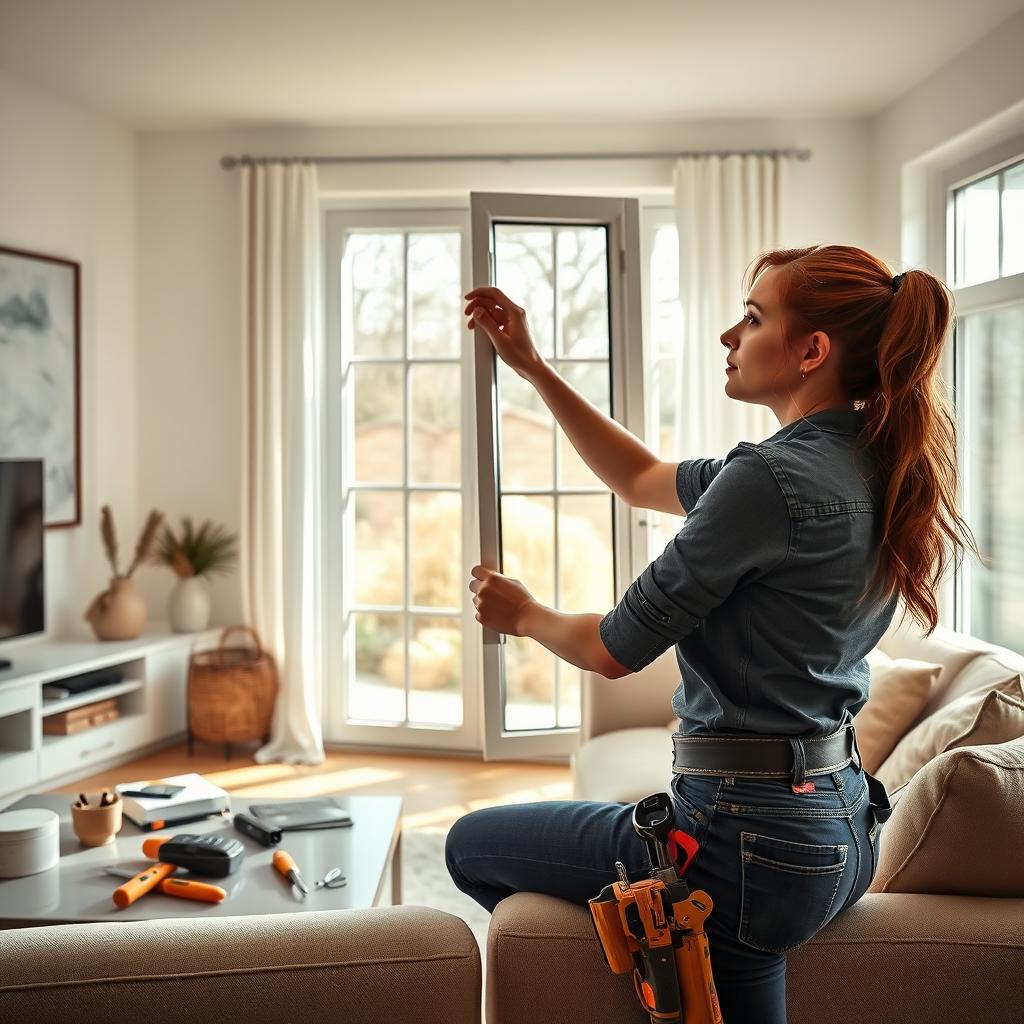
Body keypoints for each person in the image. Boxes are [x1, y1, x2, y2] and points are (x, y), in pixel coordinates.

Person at [446, 244, 980, 1023]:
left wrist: (523, 614)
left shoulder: (767, 482)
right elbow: (638, 477)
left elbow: (612, 648)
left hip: (746, 844)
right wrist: (531, 366)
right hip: (845, 829)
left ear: (811, 351)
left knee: (470, 844)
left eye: (754, 318)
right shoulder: (876, 463)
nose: (730, 335)